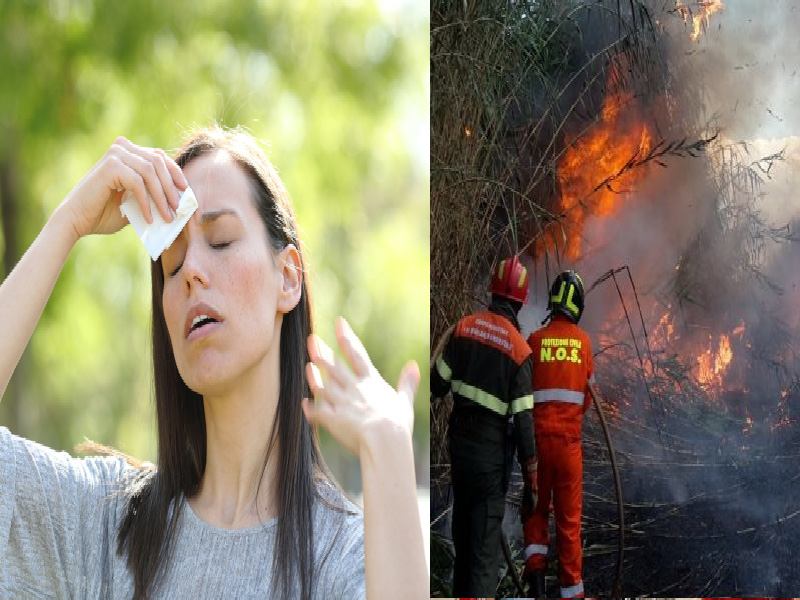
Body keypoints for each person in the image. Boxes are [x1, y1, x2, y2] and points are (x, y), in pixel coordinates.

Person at [0, 127, 427, 599]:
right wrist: (68, 222)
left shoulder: (347, 559)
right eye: (172, 264)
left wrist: (389, 447)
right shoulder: (107, 525)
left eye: (220, 241)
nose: (191, 272)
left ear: (288, 278)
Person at [431, 255, 537, 597]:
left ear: (493, 290)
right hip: (490, 464)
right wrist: (532, 480)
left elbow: (437, 384)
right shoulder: (520, 352)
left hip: (460, 453)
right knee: (483, 555)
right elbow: (524, 424)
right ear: (521, 301)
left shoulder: (464, 329)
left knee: (463, 541)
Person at [523, 270, 593, 599]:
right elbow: (586, 400)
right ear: (578, 305)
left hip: (537, 447)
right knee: (569, 524)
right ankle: (571, 593)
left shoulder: (534, 341)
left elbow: (522, 394)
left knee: (536, 513)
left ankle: (537, 588)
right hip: (568, 449)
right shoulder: (584, 343)